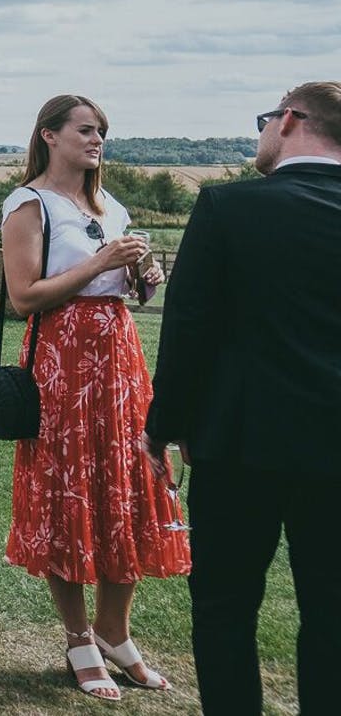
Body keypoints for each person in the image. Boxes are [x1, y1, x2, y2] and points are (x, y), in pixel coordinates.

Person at [146, 82, 341, 715]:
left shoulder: (227, 208)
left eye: (264, 120)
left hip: (239, 447)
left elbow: (189, 330)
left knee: (226, 610)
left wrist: (161, 427)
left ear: (289, 120)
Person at [1, 94, 184, 702]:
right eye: (85, 129)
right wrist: (102, 260)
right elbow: (26, 296)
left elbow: (132, 298)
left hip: (119, 358)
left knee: (129, 485)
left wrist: (141, 279)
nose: (96, 139)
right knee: (69, 488)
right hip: (63, 361)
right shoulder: (30, 204)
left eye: (101, 130)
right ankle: (79, 637)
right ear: (49, 135)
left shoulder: (111, 205)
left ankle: (116, 633)